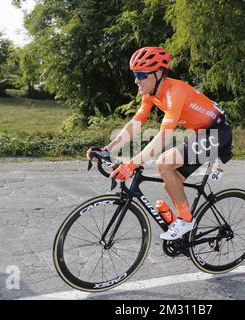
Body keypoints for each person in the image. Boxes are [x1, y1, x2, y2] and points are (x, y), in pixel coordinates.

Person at [87, 46, 232, 240]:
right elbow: (135, 124)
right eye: (134, 74)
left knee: (164, 163)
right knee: (170, 182)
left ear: (157, 73)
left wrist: (133, 163)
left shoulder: (175, 91)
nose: (136, 80)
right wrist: (108, 149)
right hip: (200, 134)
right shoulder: (150, 95)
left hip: (218, 132)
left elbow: (164, 136)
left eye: (140, 74)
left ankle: (186, 220)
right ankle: (191, 231)